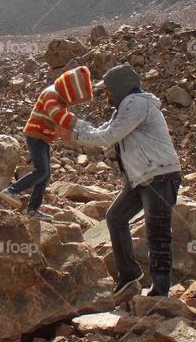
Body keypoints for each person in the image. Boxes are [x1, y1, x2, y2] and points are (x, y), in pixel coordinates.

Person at [58, 64, 182, 302]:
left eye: (108, 90)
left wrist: (72, 135)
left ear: (119, 87)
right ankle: (129, 274)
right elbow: (104, 129)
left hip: (159, 176)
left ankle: (160, 292)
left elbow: (108, 137)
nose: (107, 95)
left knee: (157, 233)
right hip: (142, 178)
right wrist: (73, 123)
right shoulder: (124, 109)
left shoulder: (136, 104)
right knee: (115, 217)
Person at [0, 65, 93, 221]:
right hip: (35, 136)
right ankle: (11, 191)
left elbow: (60, 119)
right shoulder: (51, 94)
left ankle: (33, 210)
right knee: (41, 171)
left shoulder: (61, 100)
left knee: (46, 175)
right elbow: (56, 115)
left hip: (43, 138)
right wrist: (79, 124)